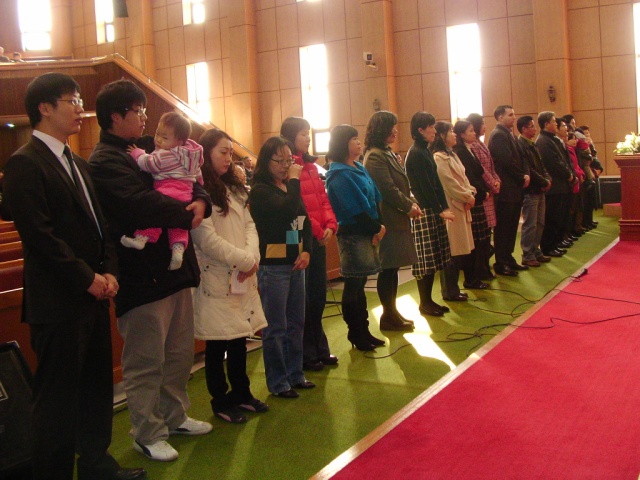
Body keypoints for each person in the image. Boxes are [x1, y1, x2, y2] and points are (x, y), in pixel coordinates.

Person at [2, 72, 145, 480]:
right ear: (45, 108)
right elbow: (40, 236)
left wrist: (110, 270)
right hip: (58, 302)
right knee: (57, 401)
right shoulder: (25, 163)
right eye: (72, 101)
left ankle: (97, 465)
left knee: (96, 388)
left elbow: (101, 227)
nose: (81, 109)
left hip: (93, 296)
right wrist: (87, 278)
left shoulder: (77, 163)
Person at [89, 79, 213, 462]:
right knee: (146, 360)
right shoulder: (105, 160)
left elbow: (191, 176)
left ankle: (175, 417)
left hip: (175, 270)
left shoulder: (150, 145)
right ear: (115, 117)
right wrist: (187, 213)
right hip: (142, 275)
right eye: (137, 111)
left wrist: (201, 202)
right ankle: (147, 432)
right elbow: (138, 204)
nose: (145, 118)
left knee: (178, 354)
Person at [191, 129, 268, 424]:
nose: (227, 158)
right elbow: (206, 240)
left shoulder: (234, 187)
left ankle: (242, 393)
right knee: (217, 342)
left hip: (241, 274)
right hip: (216, 276)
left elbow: (250, 225)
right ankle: (221, 400)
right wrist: (244, 259)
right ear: (206, 153)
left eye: (230, 153)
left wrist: (252, 256)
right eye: (222, 152)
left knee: (239, 339)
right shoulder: (198, 189)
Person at [249, 136, 314, 398]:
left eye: (289, 160)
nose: (287, 165)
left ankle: (295, 374)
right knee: (275, 326)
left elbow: (303, 220)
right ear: (266, 161)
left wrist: (306, 250)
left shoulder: (288, 187)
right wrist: (295, 181)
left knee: (296, 322)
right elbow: (286, 213)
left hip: (296, 262)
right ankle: (278, 382)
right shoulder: (261, 191)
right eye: (280, 160)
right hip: (273, 266)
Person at [280, 116, 338, 371]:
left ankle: (319, 347)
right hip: (301, 237)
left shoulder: (312, 166)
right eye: (303, 134)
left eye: (308, 133)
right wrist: (317, 229)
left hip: (319, 237)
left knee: (318, 296)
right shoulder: (288, 168)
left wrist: (331, 225)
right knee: (303, 300)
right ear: (291, 136)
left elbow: (323, 200)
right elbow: (297, 206)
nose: (307, 138)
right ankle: (306, 353)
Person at [325, 124, 386, 350]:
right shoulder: (339, 174)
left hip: (368, 230)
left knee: (360, 284)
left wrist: (379, 226)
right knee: (353, 284)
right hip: (353, 234)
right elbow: (353, 209)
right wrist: (375, 228)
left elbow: (375, 197)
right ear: (342, 144)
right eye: (353, 139)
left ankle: (365, 331)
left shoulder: (358, 167)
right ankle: (355, 332)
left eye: (358, 139)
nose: (359, 143)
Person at [121, 112, 204, 271]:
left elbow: (149, 163)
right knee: (178, 226)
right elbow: (198, 175)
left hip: (166, 190)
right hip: (186, 195)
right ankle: (178, 251)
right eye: (157, 134)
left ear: (179, 142)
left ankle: (142, 238)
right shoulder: (191, 156)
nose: (158, 140)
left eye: (164, 138)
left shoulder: (167, 155)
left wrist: (137, 153)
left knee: (157, 217)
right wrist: (199, 189)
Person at [363, 111, 421, 331]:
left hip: (396, 217)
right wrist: (408, 206)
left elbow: (399, 185)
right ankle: (388, 316)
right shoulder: (375, 156)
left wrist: (411, 203)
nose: (395, 131)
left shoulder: (385, 152)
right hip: (388, 218)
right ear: (381, 130)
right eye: (391, 127)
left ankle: (392, 312)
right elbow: (386, 189)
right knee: (388, 268)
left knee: (393, 267)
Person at [405, 112, 454, 317]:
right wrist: (439, 209)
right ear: (420, 130)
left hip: (432, 209)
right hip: (424, 211)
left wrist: (444, 207)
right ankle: (424, 303)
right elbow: (424, 187)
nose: (434, 130)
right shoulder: (416, 153)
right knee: (426, 261)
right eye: (431, 127)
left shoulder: (424, 150)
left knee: (435, 258)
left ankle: (429, 301)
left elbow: (436, 184)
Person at [432, 122, 476, 302]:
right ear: (442, 136)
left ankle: (454, 288)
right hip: (452, 206)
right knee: (452, 250)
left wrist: (471, 193)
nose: (454, 134)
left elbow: (464, 179)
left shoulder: (453, 154)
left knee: (459, 251)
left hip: (463, 204)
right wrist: (467, 196)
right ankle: (449, 290)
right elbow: (449, 184)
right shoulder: (438, 158)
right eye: (450, 131)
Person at [487, 105, 530, 276]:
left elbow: (521, 158)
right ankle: (501, 262)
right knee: (504, 228)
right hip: (505, 190)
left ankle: (508, 258)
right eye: (510, 115)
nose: (514, 117)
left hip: (514, 188)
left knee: (511, 227)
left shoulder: (509, 134)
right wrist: (521, 177)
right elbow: (506, 161)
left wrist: (525, 174)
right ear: (500, 117)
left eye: (514, 114)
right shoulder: (498, 135)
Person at [452, 120, 491, 290]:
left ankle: (479, 273)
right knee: (474, 241)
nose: (474, 133)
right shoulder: (459, 151)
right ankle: (471, 278)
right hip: (471, 199)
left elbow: (479, 172)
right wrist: (480, 193)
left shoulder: (469, 149)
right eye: (470, 131)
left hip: (476, 196)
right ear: (461, 134)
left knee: (481, 240)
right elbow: (468, 178)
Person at [466, 113, 501, 280]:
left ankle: (485, 268)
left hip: (490, 191)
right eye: (481, 124)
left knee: (487, 234)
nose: (484, 127)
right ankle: (481, 269)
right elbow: (481, 171)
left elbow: (491, 167)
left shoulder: (481, 144)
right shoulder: (472, 146)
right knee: (483, 236)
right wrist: (493, 183)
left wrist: (497, 180)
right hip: (484, 193)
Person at [535, 111, 573, 258]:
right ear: (546, 124)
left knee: (558, 217)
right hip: (554, 185)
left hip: (560, 184)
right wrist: (568, 174)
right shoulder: (543, 141)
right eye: (554, 121)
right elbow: (554, 163)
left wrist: (569, 173)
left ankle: (555, 243)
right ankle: (548, 246)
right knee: (551, 218)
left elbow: (563, 160)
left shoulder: (552, 139)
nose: (556, 124)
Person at [516, 115, 551, 267]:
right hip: (530, 190)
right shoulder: (521, 145)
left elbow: (541, 165)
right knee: (530, 224)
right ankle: (527, 254)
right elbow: (528, 169)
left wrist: (547, 178)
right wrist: (543, 181)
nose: (535, 129)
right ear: (524, 129)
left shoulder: (533, 144)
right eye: (531, 126)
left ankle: (536, 250)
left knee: (540, 222)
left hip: (540, 188)